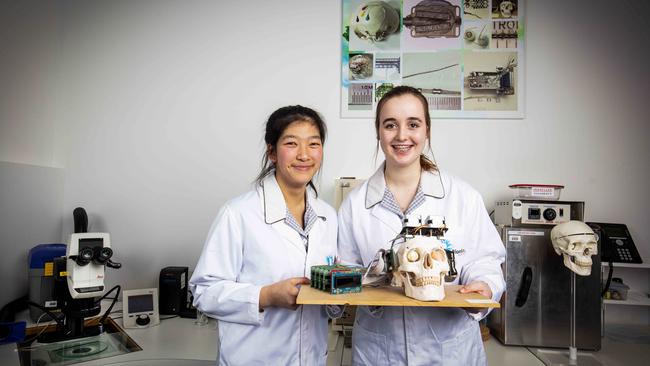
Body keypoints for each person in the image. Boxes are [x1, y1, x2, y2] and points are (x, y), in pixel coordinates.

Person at [337, 86, 506, 366]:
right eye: (390, 125)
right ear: (378, 131)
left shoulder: (462, 197)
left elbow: (485, 259)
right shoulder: (355, 205)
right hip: (380, 351)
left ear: (427, 130)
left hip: (450, 349)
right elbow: (345, 269)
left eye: (413, 124)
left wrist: (485, 285)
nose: (402, 136)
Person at [189, 105, 338, 365]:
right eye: (291, 143)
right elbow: (203, 292)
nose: (304, 155)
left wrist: (340, 294)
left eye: (313, 144)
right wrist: (266, 296)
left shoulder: (327, 216)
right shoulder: (239, 213)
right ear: (271, 151)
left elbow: (329, 295)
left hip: (311, 358)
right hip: (253, 358)